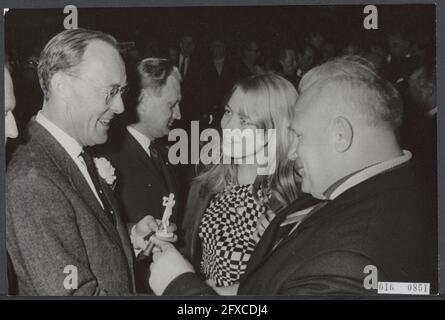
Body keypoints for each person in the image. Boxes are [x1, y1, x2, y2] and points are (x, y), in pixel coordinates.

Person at [149, 56, 437, 296]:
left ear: (340, 135)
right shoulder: (366, 195)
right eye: (227, 112)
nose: (293, 150)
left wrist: (180, 286)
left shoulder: (331, 231)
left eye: (297, 136)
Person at [6, 28, 165, 295]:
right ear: (62, 85)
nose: (120, 107)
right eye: (111, 91)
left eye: (122, 91)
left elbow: (81, 238)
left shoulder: (70, 150)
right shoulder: (32, 181)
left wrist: (132, 237)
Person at [178, 73, 301, 295]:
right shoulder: (207, 178)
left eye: (244, 121)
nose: (227, 126)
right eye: (227, 112)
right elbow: (189, 249)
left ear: (273, 130)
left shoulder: (290, 200)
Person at [93, 58, 184, 292]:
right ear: (143, 101)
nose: (179, 114)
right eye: (172, 105)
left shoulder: (159, 151)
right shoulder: (109, 155)